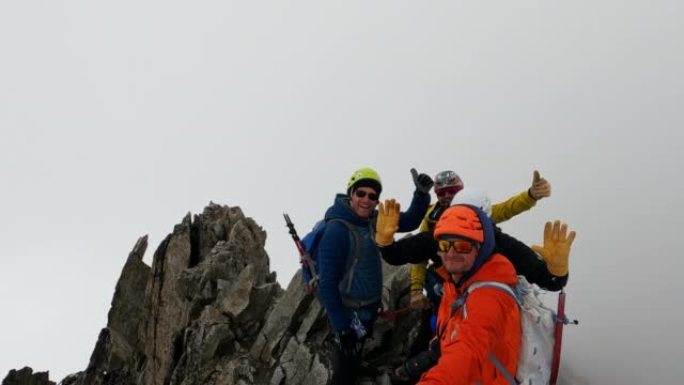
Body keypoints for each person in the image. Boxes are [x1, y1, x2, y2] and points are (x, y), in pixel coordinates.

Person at [375, 200, 576, 383]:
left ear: (482, 247)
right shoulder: (456, 278)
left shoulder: (489, 297)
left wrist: (555, 276)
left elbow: (467, 352)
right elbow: (412, 250)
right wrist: (386, 246)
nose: (452, 253)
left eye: (462, 246)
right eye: (445, 245)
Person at [316, 167, 433, 385]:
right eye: (361, 193)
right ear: (350, 194)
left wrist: (421, 194)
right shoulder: (337, 230)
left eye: (372, 196)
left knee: (355, 354)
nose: (366, 200)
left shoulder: (374, 220)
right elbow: (327, 284)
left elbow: (410, 221)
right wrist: (342, 328)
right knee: (344, 368)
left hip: (368, 310)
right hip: (349, 313)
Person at [410, 170, 552, 309]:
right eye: (441, 193)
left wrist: (530, 196)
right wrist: (416, 290)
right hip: (444, 277)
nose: (447, 196)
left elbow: (506, 209)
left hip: (475, 276)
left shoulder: (475, 212)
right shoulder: (430, 219)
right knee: (434, 319)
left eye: (452, 190)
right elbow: (419, 255)